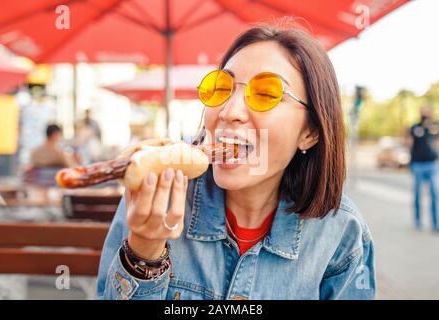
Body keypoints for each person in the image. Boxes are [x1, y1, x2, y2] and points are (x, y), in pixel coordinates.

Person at [97, 25, 375, 300]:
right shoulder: (156, 198)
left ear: (310, 132)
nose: (229, 112)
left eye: (266, 94)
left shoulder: (341, 234)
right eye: (221, 88)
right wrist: (144, 252)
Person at [406, 106, 439, 232]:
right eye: (423, 111)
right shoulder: (415, 127)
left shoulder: (434, 127)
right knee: (417, 194)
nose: (425, 113)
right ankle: (418, 221)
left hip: (432, 164)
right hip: (418, 165)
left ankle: (435, 223)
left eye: (427, 110)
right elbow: (409, 143)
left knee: (435, 194)